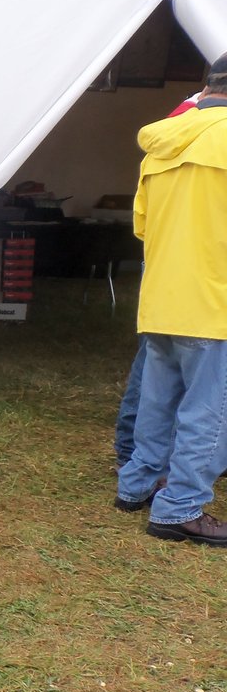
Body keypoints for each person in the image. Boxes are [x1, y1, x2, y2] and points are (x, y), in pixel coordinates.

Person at [115, 56, 227, 546]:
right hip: (213, 300)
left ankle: (137, 485)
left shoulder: (162, 142)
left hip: (160, 297)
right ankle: (179, 508)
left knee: (157, 403)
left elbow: (142, 225)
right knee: (207, 412)